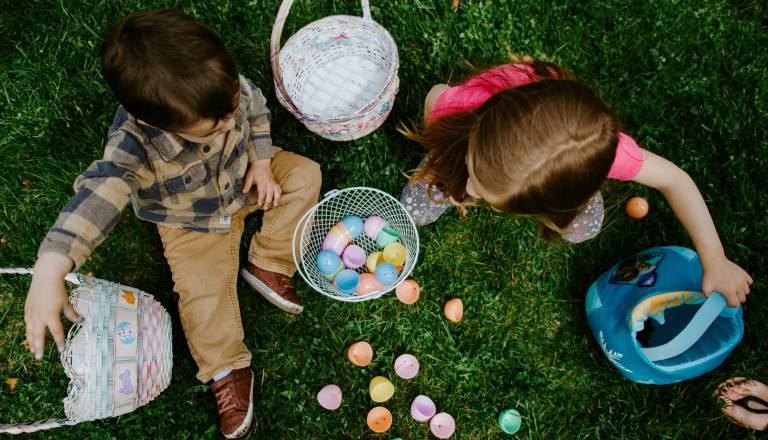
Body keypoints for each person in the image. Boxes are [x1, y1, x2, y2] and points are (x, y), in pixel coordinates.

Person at [23, 9, 321, 438]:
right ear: (151, 120)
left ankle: (268, 261)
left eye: (228, 114)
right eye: (210, 132)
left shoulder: (223, 90)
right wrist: (52, 264)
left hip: (246, 180)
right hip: (189, 221)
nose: (223, 131)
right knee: (201, 295)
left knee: (305, 175)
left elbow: (254, 110)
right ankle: (225, 368)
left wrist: (260, 160)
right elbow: (101, 193)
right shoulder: (134, 146)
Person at [400, 56, 751, 307]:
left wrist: (715, 258)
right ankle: (455, 166)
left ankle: (563, 200)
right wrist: (453, 156)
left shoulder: (608, 154)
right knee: (429, 191)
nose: (471, 193)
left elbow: (675, 180)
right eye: (475, 174)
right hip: (476, 126)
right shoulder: (464, 107)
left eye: (483, 192)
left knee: (582, 228)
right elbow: (436, 95)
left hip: (559, 167)